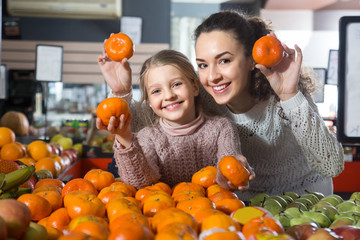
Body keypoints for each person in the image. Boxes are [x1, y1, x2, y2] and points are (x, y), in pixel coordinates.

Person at [97, 10, 344, 200]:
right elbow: (143, 123)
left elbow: (331, 165)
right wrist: (121, 91)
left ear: (250, 59)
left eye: (224, 60)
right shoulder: (203, 95)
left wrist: (290, 95)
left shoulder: (282, 96)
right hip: (247, 210)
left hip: (307, 203)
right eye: (203, 64)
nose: (212, 76)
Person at [97, 49, 254, 190]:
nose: (169, 95)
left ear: (195, 87)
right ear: (149, 102)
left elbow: (226, 166)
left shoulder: (221, 128)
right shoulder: (148, 136)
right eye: (157, 91)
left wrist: (232, 176)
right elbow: (141, 182)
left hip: (212, 214)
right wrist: (124, 137)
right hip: (165, 215)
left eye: (176, 84)